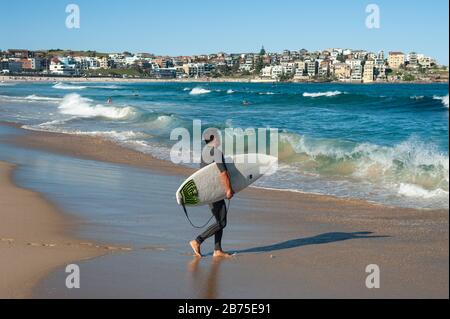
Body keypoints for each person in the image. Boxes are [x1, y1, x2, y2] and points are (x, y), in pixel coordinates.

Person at [190, 128, 234, 258]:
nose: (220, 139)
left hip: (207, 190)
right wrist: (228, 189)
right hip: (214, 191)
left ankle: (217, 249)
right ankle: (197, 241)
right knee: (221, 222)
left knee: (219, 219)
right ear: (214, 139)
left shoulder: (205, 153)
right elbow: (223, 173)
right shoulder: (216, 153)